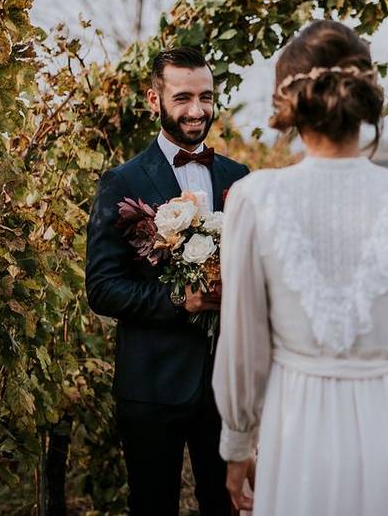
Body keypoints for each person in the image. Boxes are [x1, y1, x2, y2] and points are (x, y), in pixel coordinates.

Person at [212, 20, 388, 515]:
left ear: (288, 102)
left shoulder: (254, 199)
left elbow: (243, 345)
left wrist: (236, 444)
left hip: (297, 434)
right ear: (365, 98)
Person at [85, 46, 249, 514]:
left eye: (206, 96)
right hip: (151, 385)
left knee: (229, 505)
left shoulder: (240, 179)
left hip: (226, 384)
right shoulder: (122, 182)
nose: (197, 110)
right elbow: (102, 287)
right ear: (154, 100)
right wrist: (181, 301)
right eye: (182, 98)